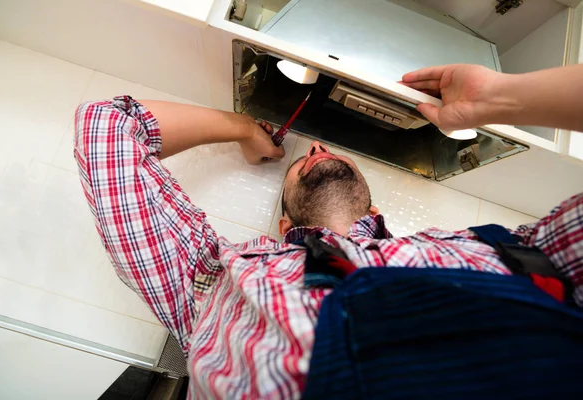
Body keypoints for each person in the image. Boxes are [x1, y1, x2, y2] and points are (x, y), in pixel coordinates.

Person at [74, 64, 583, 399]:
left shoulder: (520, 254)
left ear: (376, 209)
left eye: (325, 152)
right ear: (282, 227)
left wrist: (501, 98)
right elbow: (105, 127)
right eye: (308, 155)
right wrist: (245, 127)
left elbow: (106, 130)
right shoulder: (206, 282)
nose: (316, 149)